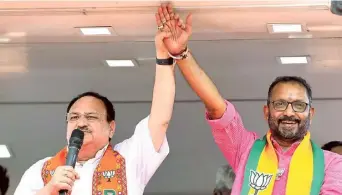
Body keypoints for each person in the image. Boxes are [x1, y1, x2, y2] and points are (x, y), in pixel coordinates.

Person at [159, 3, 342, 194]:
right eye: (280, 104)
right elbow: (217, 108)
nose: (289, 112)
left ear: (310, 113)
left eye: (298, 105)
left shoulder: (332, 164)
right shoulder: (246, 151)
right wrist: (181, 53)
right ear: (266, 111)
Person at [14, 4, 178, 195]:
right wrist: (50, 189)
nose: (81, 122)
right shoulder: (41, 171)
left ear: (111, 127)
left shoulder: (130, 159)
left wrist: (164, 56)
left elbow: (160, 120)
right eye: (74, 117)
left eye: (91, 117)